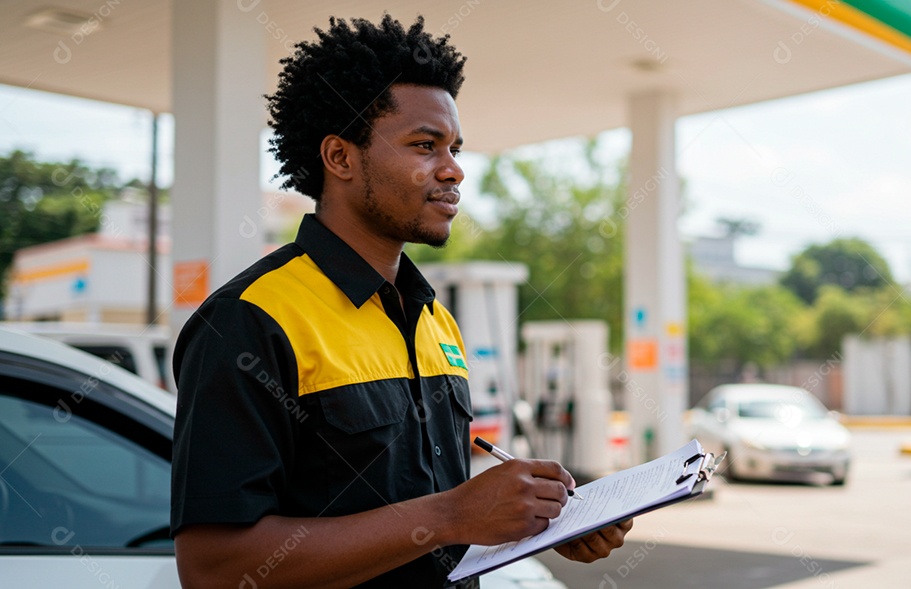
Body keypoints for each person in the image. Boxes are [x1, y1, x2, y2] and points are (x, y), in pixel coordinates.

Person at [170, 14, 632, 589]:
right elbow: (215, 570)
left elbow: (428, 517)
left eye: (455, 148)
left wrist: (539, 520)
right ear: (340, 158)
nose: (453, 169)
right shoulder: (249, 321)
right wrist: (452, 515)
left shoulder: (434, 319)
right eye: (424, 145)